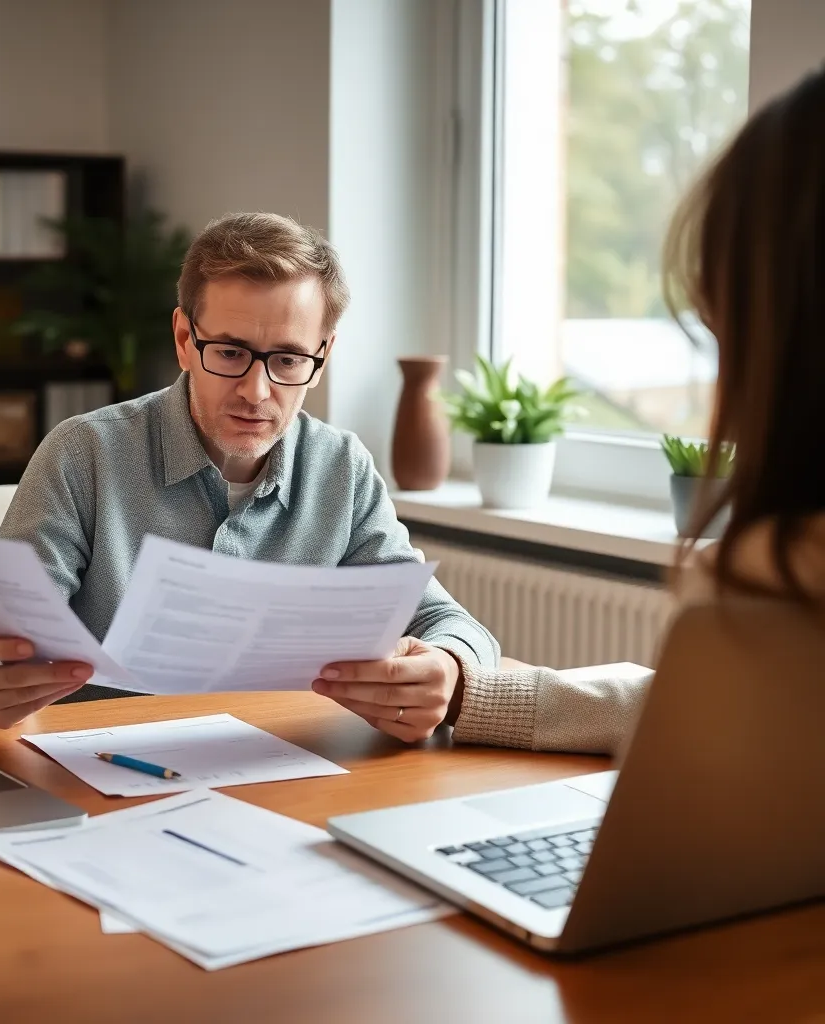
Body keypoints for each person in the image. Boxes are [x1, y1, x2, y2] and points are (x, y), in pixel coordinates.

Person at [326, 64, 825, 754]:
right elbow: (691, 704)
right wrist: (466, 690)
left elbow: (441, 617)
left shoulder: (778, 581)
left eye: (726, 336)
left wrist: (453, 663)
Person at [0, 212, 501, 734]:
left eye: (288, 359)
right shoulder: (85, 454)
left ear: (322, 357)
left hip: (285, 768)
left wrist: (449, 666)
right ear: (185, 340)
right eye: (231, 353)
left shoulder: (341, 469)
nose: (256, 392)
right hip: (102, 768)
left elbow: (446, 621)